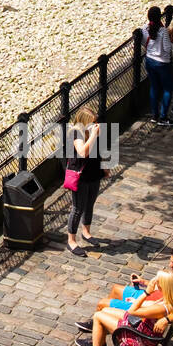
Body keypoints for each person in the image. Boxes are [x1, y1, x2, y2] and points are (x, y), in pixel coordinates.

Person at [80, 270, 173, 346]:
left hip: (140, 338)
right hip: (142, 328)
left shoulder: (161, 308)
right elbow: (147, 306)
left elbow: (132, 311)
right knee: (105, 309)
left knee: (99, 316)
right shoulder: (169, 299)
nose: (154, 282)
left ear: (163, 286)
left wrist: (146, 293)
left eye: (157, 280)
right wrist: (137, 300)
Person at [78, 246, 173, 329]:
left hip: (146, 304)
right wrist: (144, 282)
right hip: (149, 295)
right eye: (170, 261)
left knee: (102, 304)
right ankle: (102, 324)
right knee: (116, 289)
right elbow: (166, 289)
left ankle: (98, 329)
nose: (170, 265)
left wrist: (166, 320)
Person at [65, 107, 103, 255]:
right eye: (92, 122)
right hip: (80, 176)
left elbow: (99, 149)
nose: (95, 124)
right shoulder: (76, 132)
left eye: (96, 121)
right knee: (77, 208)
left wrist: (104, 167)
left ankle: (86, 232)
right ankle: (71, 241)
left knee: (90, 204)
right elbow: (82, 152)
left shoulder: (93, 131)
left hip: (93, 172)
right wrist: (93, 135)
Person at [143, 6, 173, 126]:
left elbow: (143, 42)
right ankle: (163, 117)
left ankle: (154, 115)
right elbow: (167, 49)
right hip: (162, 63)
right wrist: (172, 41)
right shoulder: (163, 31)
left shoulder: (145, 28)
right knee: (167, 89)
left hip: (150, 60)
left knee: (154, 88)